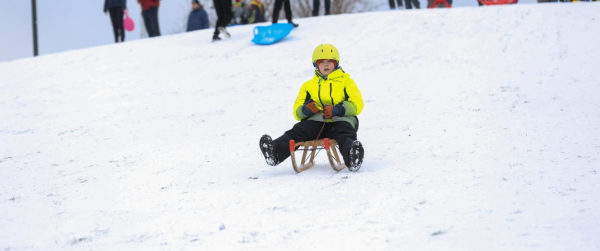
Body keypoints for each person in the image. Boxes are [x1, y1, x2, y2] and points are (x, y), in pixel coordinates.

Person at [259, 44, 365, 172]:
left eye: (329, 61)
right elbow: (297, 111)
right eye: (322, 62)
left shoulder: (346, 82)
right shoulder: (308, 86)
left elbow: (357, 103)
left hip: (341, 120)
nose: (326, 65)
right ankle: (274, 152)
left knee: (346, 135)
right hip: (316, 122)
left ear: (336, 63)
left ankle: (352, 158)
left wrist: (338, 109)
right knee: (298, 130)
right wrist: (306, 110)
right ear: (316, 65)